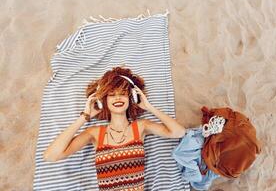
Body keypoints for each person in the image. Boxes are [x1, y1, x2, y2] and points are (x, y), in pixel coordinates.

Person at [43, 66, 186, 190]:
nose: (118, 98)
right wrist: (85, 116)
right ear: (102, 101)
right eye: (111, 95)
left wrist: (149, 107)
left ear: (132, 98)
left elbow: (179, 132)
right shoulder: (94, 133)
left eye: (123, 94)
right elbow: (51, 156)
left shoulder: (141, 126)